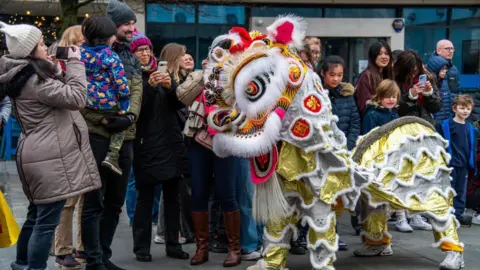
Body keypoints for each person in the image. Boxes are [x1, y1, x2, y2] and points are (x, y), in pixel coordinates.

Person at [0, 21, 101, 270]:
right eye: (41, 44)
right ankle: (34, 267)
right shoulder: (36, 82)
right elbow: (77, 98)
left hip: (36, 153)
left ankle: (22, 264)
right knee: (46, 223)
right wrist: (76, 63)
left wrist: (53, 66)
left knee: (36, 217)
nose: (46, 47)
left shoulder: (25, 75)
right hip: (49, 158)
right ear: (29, 51)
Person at [80, 1, 143, 269]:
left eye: (132, 23)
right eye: (127, 23)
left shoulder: (130, 56)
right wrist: (104, 119)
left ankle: (104, 256)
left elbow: (136, 89)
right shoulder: (85, 55)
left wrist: (129, 117)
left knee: (115, 202)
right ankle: (93, 261)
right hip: (96, 134)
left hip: (125, 136)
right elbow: (78, 94)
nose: (133, 27)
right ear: (113, 26)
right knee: (94, 202)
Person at [130, 36, 189, 262]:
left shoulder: (163, 74)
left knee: (173, 198)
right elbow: (138, 109)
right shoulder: (133, 76)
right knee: (145, 198)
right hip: (146, 144)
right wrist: (151, 87)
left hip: (171, 143)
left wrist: (170, 87)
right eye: (139, 50)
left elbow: (176, 105)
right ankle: (141, 248)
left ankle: (173, 244)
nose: (145, 54)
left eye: (147, 49)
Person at [48, 24, 88, 269]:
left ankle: (81, 247)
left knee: (85, 196)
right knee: (68, 199)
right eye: (82, 43)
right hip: (64, 136)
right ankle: (63, 249)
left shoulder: (85, 65)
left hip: (84, 134)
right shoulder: (55, 67)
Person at [81, 17, 130, 176]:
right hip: (109, 102)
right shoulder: (111, 56)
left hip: (87, 101)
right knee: (121, 123)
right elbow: (119, 82)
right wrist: (124, 98)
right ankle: (112, 155)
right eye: (113, 36)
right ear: (108, 38)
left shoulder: (80, 53)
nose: (115, 38)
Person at [437, 95, 478, 226]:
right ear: (454, 108)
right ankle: (446, 213)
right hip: (450, 164)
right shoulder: (446, 126)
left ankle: (458, 214)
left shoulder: (471, 129)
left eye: (468, 108)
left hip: (464, 165)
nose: (465, 111)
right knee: (448, 189)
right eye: (462, 108)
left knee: (461, 191)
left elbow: (472, 147)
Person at [395, 50, 442, 125]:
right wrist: (410, 96)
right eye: (410, 71)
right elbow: (395, 109)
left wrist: (429, 94)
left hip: (425, 125)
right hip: (404, 126)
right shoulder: (395, 82)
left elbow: (436, 108)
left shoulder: (428, 78)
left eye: (416, 71)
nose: (413, 74)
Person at [355, 40, 394, 117]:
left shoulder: (388, 75)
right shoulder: (366, 76)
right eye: (379, 54)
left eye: (386, 53)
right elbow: (363, 105)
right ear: (373, 56)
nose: (384, 57)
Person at [427, 55, 453, 123]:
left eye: (446, 69)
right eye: (442, 69)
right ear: (435, 69)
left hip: (446, 121)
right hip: (434, 122)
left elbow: (448, 101)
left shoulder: (444, 81)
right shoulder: (428, 83)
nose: (445, 71)